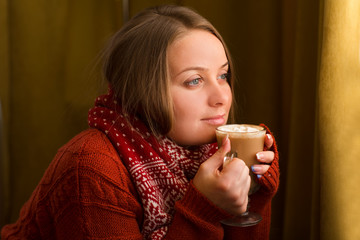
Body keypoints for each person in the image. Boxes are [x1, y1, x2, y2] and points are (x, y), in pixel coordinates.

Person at [1, 5, 279, 240]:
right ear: (143, 91)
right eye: (194, 80)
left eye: (223, 76)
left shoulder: (206, 154)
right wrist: (204, 208)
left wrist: (255, 192)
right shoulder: (92, 167)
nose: (221, 97)